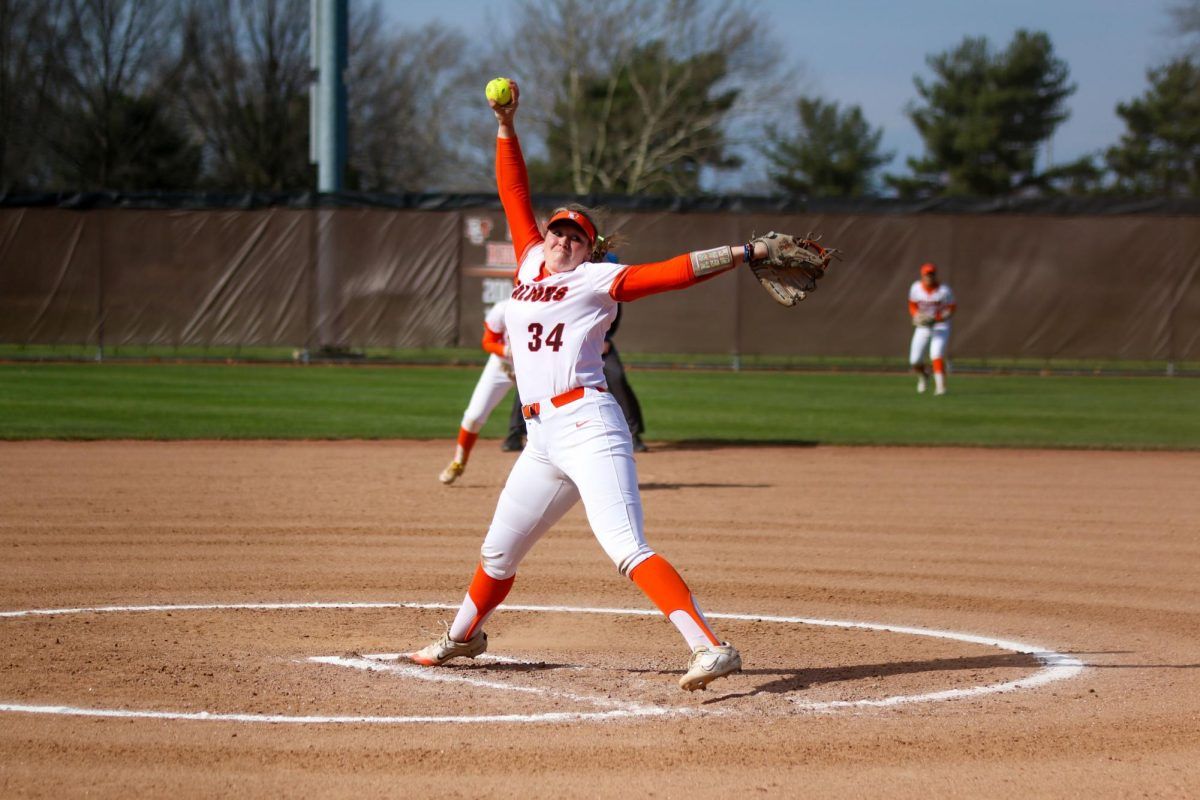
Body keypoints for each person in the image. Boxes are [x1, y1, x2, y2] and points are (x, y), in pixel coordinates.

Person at [408, 79, 774, 692]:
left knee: (625, 545)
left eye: (575, 235)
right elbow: (512, 191)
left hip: (589, 424)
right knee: (498, 553)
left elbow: (672, 272)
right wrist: (506, 124)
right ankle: (463, 636)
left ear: (590, 248)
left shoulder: (599, 280)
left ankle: (711, 647)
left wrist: (742, 251)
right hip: (541, 436)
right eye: (557, 230)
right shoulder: (528, 259)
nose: (561, 239)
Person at [502, 295, 648, 453]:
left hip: (592, 341)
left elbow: (613, 308)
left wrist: (606, 337)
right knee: (533, 381)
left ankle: (633, 434)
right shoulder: (554, 286)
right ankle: (515, 434)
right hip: (556, 343)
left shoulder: (596, 280)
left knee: (616, 377)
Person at [438, 299, 516, 485]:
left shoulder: (548, 307)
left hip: (535, 369)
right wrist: (505, 350)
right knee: (473, 416)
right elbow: (488, 342)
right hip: (502, 366)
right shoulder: (503, 309)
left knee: (543, 422)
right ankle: (458, 462)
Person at [908, 262, 956, 395]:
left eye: (931, 274)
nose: (929, 277)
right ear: (922, 276)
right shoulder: (916, 288)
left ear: (935, 275)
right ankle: (924, 376)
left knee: (936, 353)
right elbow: (912, 305)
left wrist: (939, 318)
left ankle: (941, 387)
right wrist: (916, 316)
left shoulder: (944, 290)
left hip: (940, 326)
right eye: (927, 274)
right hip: (923, 327)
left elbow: (951, 307)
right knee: (914, 360)